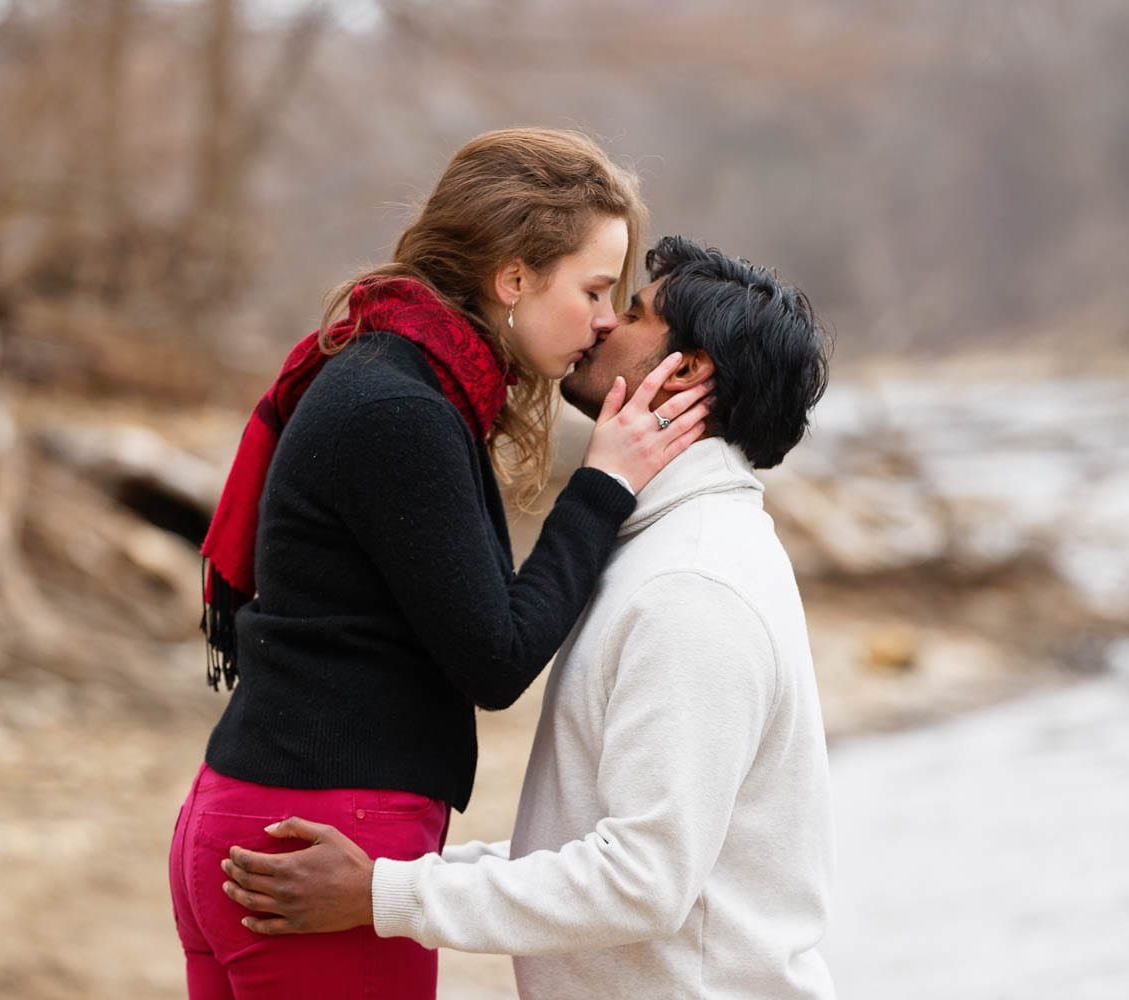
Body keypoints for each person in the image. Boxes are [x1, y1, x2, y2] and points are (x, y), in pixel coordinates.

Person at [168, 129, 713, 999]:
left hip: (267, 826)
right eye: (595, 288)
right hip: (318, 849)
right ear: (513, 278)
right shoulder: (399, 407)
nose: (608, 319)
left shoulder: (390, 375)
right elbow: (494, 658)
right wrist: (604, 483)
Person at [221, 235, 837, 999]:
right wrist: (399, 879)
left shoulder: (694, 584)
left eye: (635, 312)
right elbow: (590, 847)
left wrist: (389, 896)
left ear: (688, 370)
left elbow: (642, 879)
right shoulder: (664, 548)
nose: (604, 323)